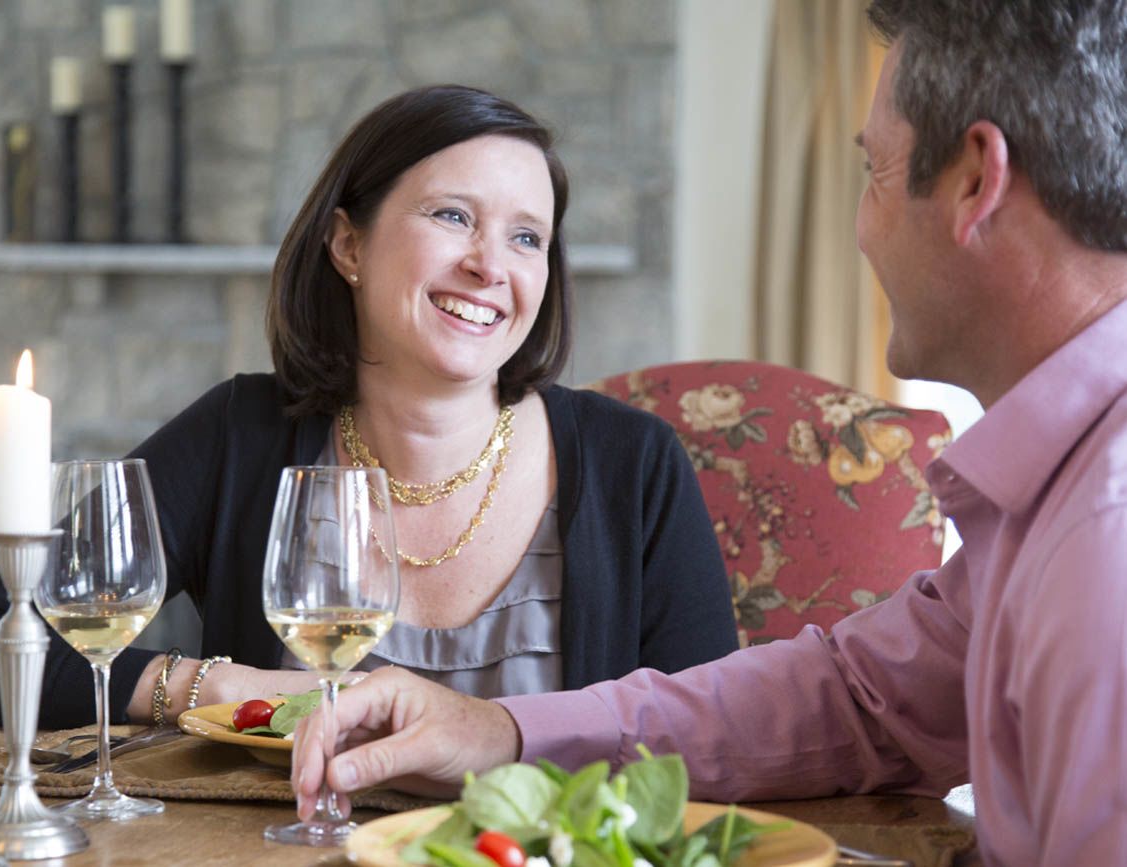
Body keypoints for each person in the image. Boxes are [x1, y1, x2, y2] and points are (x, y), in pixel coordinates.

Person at [291, 3, 1127, 864]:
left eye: (872, 171)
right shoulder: (1052, 498)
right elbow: (855, 696)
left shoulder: (1105, 534)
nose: (861, 229)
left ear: (973, 182)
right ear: (347, 247)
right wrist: (500, 726)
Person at [0, 85, 738, 728]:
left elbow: (708, 726)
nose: (488, 266)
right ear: (347, 246)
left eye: (527, 237)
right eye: (452, 216)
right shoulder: (242, 433)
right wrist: (222, 686)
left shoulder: (632, 461)